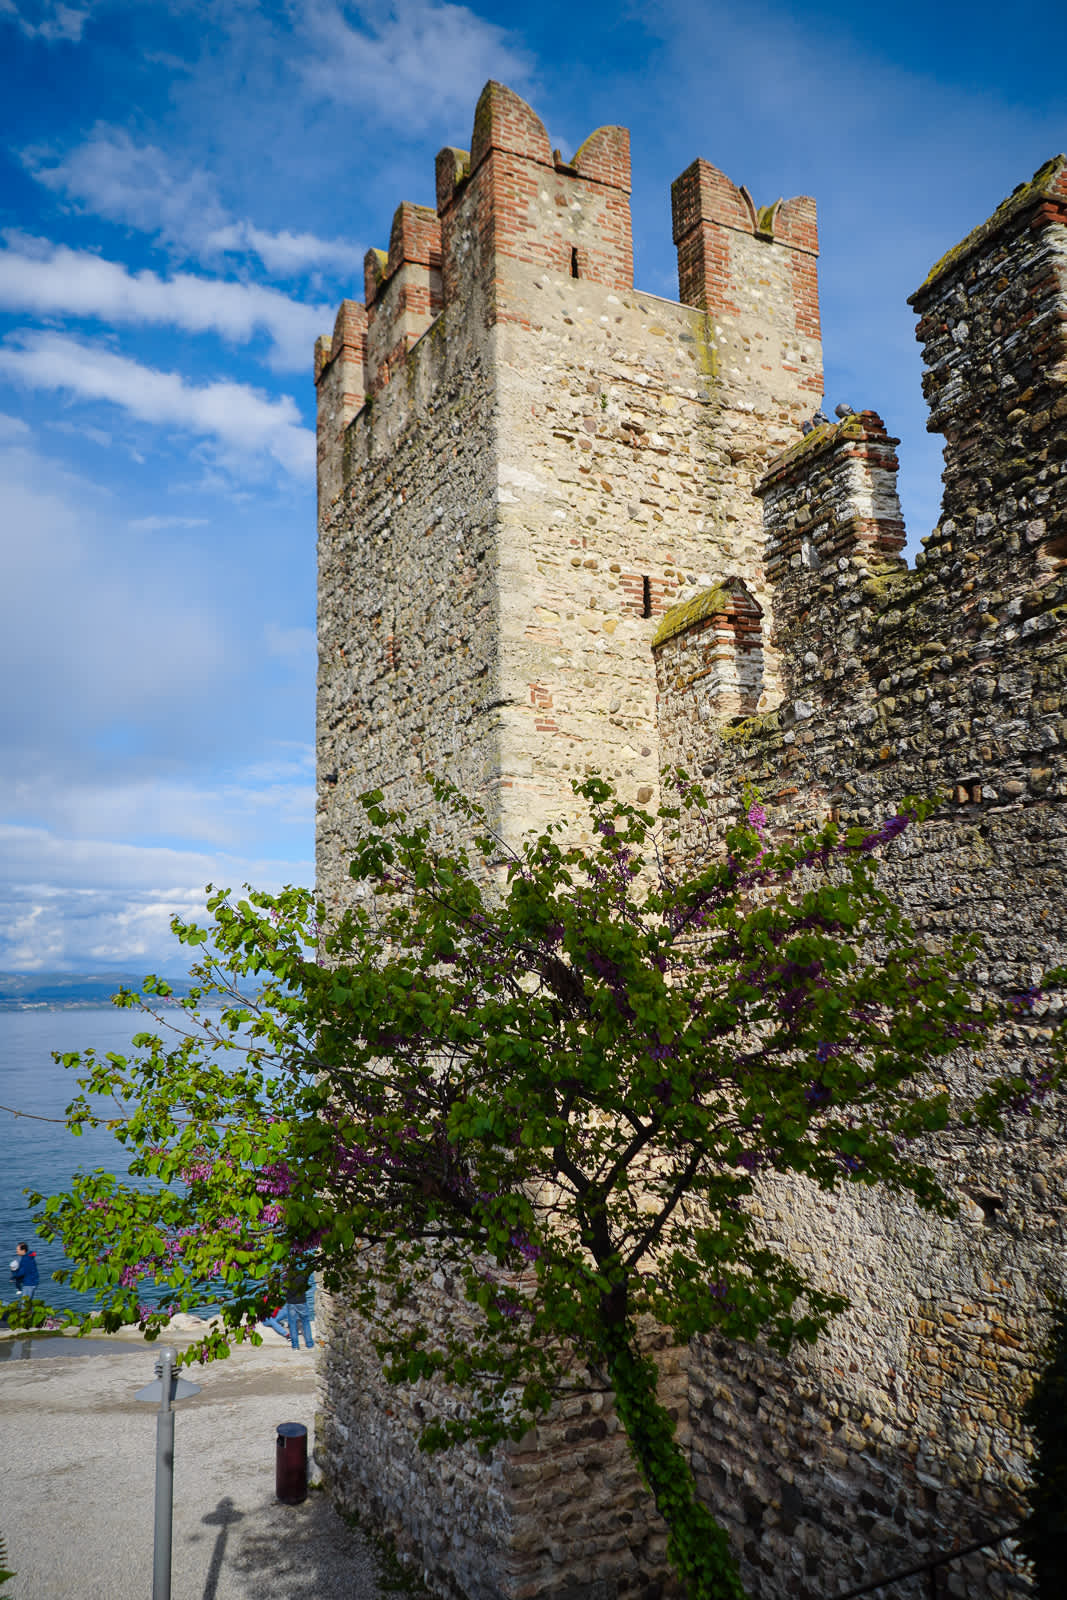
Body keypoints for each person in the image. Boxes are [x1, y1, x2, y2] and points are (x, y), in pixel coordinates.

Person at [284, 1262, 314, 1350]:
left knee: (292, 1324)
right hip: (302, 1301)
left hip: (291, 1302)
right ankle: (309, 1344)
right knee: (306, 1322)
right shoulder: (302, 1276)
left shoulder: (287, 1278)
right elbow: (309, 1272)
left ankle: (295, 1346)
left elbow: (284, 1289)